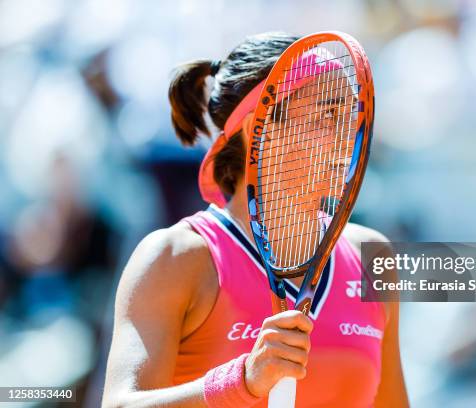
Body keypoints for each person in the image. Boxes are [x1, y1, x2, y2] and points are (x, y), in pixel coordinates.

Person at [102, 32, 408, 407]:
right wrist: (242, 382)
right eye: (328, 115)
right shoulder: (175, 257)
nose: (347, 139)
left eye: (350, 119)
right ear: (258, 129)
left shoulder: (374, 256)